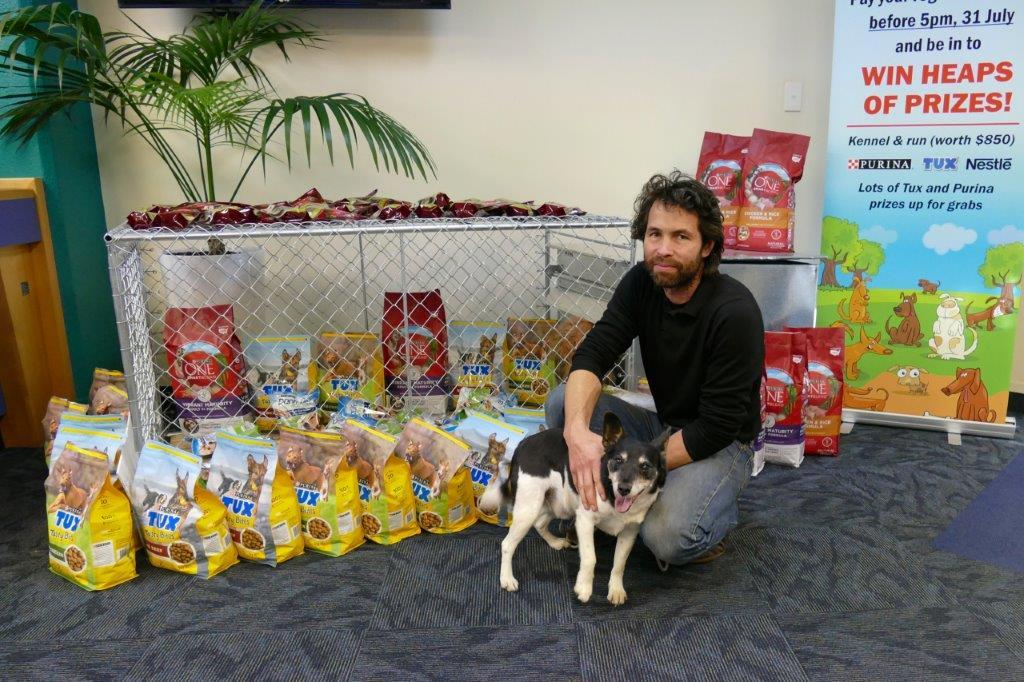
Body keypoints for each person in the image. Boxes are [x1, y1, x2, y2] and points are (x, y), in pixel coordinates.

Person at [545, 170, 764, 567]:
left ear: (706, 246)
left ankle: (720, 512)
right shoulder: (640, 284)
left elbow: (716, 427)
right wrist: (576, 434)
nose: (663, 248)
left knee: (666, 538)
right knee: (563, 403)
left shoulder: (735, 313)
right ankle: (638, 490)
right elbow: (593, 355)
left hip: (722, 443)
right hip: (663, 427)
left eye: (681, 237)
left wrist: (642, 464)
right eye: (654, 234)